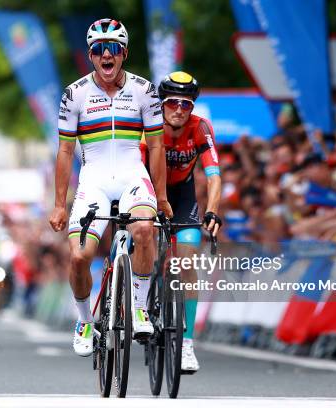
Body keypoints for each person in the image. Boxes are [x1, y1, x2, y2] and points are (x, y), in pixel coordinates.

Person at [49, 18, 172, 357]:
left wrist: (160, 196)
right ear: (90, 55)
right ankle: (84, 320)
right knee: (78, 258)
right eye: (98, 50)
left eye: (113, 49)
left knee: (145, 230)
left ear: (124, 53)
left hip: (134, 178)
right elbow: (65, 150)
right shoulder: (74, 94)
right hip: (94, 182)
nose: (106, 55)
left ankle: (139, 306)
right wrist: (60, 204)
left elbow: (158, 147)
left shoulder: (145, 90)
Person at [141, 72, 223, 372]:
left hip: (184, 196)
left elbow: (214, 175)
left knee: (187, 263)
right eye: (172, 102)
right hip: (148, 189)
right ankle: (132, 301)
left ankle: (187, 344)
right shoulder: (148, 126)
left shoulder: (200, 127)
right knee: (138, 238)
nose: (179, 109)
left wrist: (213, 211)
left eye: (186, 104)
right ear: (162, 104)